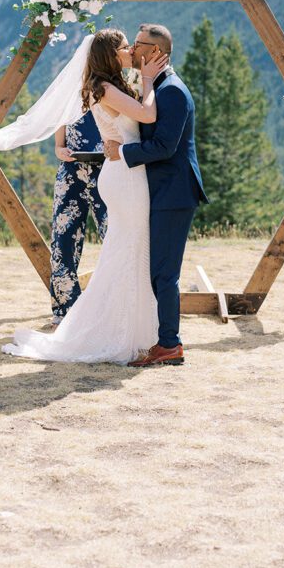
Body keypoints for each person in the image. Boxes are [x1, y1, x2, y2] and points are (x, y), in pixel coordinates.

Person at [1, 28, 168, 364]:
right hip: (122, 178)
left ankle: (132, 327)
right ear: (110, 54)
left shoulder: (112, 85)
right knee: (122, 253)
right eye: (124, 47)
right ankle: (104, 327)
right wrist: (149, 79)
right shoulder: (104, 88)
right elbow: (147, 115)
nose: (130, 51)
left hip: (122, 172)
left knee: (127, 253)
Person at [104, 23, 207, 367]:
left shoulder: (173, 91)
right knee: (158, 270)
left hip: (174, 193)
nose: (131, 50)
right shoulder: (156, 85)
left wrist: (124, 154)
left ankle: (170, 344)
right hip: (160, 191)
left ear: (156, 52)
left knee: (164, 272)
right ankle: (165, 340)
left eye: (137, 45)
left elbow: (165, 146)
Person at [50, 112, 107, 326]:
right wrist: (59, 148)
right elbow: (59, 138)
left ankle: (115, 305)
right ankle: (65, 310)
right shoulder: (70, 90)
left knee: (114, 236)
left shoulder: (113, 85)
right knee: (63, 241)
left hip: (108, 169)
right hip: (71, 171)